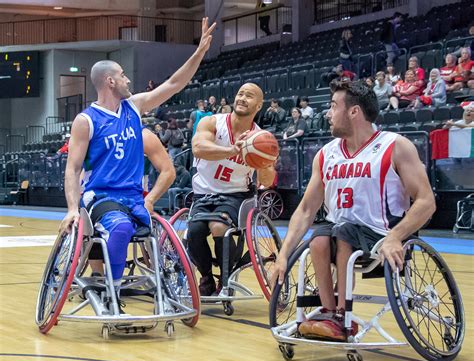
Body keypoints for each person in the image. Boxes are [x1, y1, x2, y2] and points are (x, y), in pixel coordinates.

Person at [59, 18, 216, 301]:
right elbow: (73, 168)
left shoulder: (134, 107)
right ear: (110, 81)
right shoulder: (86, 121)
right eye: (122, 75)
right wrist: (72, 208)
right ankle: (113, 293)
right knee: (120, 228)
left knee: (156, 233)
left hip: (134, 196)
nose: (128, 79)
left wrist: (199, 52)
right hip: (101, 195)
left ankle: (165, 289)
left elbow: (174, 84)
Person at [273, 80, 436, 341]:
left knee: (341, 232)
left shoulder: (395, 146)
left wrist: (396, 236)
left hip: (383, 234)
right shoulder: (325, 154)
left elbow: (426, 201)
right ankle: (330, 312)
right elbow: (305, 209)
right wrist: (283, 255)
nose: (327, 113)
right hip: (341, 234)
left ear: (354, 112)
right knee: (320, 237)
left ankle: (341, 316)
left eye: (333, 106)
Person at [189, 82, 276, 296]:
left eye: (249, 96)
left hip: (236, 194)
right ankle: (207, 277)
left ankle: (226, 280)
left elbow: (267, 180)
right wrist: (231, 150)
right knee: (194, 232)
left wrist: (264, 164)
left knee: (219, 227)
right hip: (204, 192)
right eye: (240, 94)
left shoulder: (261, 138)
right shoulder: (212, 122)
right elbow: (198, 148)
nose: (242, 98)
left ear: (259, 105)